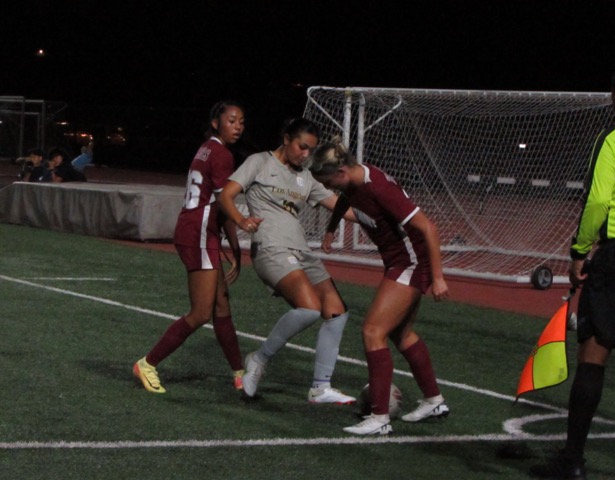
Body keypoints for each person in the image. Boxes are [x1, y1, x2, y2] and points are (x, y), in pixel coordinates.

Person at [529, 66, 615, 479]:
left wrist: (579, 252)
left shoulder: (614, 138)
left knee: (594, 352)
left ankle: (571, 461)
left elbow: (597, 203)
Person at [309, 139, 450, 435]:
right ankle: (434, 400)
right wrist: (332, 228)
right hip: (401, 263)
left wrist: (438, 277)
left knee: (373, 331)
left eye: (330, 182)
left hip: (409, 264)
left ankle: (379, 418)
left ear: (343, 171)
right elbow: (346, 199)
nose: (332, 188)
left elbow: (428, 228)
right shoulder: (354, 183)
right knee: (401, 333)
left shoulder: (378, 187)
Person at [217, 118, 356, 405]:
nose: (306, 155)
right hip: (271, 247)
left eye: (311, 150)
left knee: (336, 312)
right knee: (309, 308)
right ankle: (259, 358)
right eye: (301, 147)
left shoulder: (306, 177)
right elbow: (226, 196)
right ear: (286, 138)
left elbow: (341, 206)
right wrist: (241, 220)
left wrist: (385, 212)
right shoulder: (260, 162)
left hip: (301, 251)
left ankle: (320, 387)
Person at [133, 100, 246, 393]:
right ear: (215, 123)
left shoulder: (206, 147)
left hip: (197, 231)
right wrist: (238, 240)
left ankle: (239, 373)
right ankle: (147, 363)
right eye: (232, 121)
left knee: (222, 306)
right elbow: (224, 203)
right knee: (200, 313)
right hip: (198, 234)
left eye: (241, 122)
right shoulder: (221, 154)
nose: (238, 127)